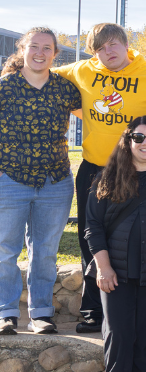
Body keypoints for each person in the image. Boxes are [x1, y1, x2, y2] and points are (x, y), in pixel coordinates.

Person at [54, 22, 146, 333]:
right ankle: (94, 311)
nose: (107, 52)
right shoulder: (83, 70)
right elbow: (45, 71)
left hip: (141, 170)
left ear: (126, 44)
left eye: (113, 44)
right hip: (95, 168)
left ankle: (140, 308)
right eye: (99, 48)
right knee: (92, 242)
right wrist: (18, 63)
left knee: (136, 240)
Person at [0, 28, 81, 335]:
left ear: (54, 54)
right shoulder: (5, 87)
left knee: (45, 251)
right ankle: (7, 312)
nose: (40, 52)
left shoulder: (65, 88)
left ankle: (41, 314)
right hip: (10, 180)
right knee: (5, 250)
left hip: (54, 181)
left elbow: (98, 115)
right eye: (34, 46)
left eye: (47, 48)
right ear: (23, 49)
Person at [84, 116, 146, 372]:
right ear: (128, 141)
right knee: (119, 338)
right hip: (116, 274)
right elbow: (93, 226)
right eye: (138, 137)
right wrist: (103, 268)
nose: (145, 143)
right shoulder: (107, 178)